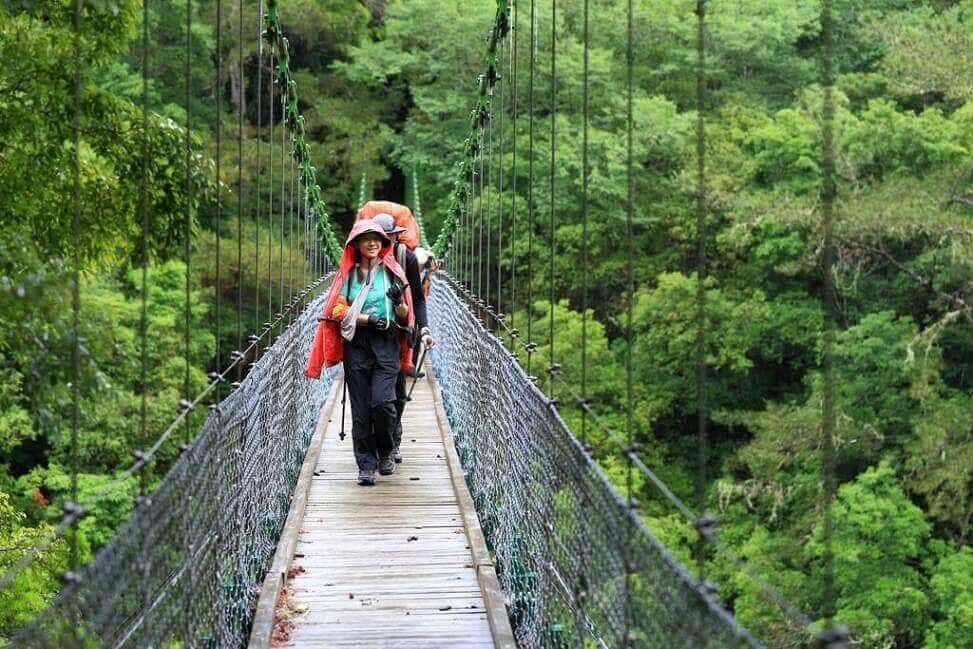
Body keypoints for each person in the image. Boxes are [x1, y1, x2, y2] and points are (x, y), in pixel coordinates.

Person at [305, 219, 414, 486]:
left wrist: (398, 302)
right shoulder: (349, 276)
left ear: (383, 243)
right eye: (366, 239)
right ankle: (366, 464)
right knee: (361, 409)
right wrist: (367, 319)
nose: (372, 243)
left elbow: (404, 315)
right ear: (356, 244)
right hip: (358, 344)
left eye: (377, 238)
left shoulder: (392, 272)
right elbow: (336, 310)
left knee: (383, 403)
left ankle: (386, 451)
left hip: (386, 343)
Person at [372, 213, 436, 464]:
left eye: (390, 238)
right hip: (369, 333)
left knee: (396, 390)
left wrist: (425, 329)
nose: (385, 242)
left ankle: (393, 440)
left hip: (400, 334)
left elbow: (418, 298)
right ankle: (378, 444)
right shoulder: (362, 257)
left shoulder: (405, 258)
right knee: (373, 394)